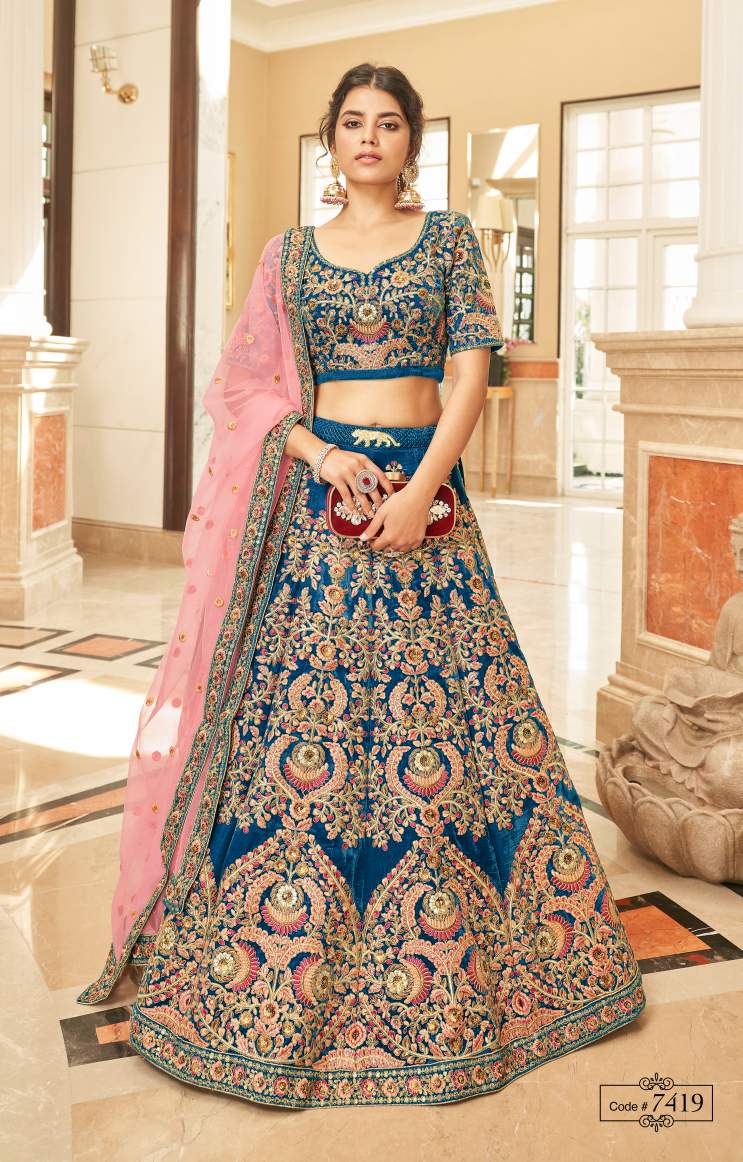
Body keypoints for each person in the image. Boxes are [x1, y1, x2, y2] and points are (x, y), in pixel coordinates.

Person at [78, 62, 645, 1107]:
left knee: (446, 718)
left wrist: (422, 491)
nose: (369, 137)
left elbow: (472, 372)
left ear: (410, 141)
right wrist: (321, 454)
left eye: (388, 122)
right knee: (305, 719)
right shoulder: (288, 255)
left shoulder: (451, 240)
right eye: (352, 122)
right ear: (331, 141)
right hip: (321, 501)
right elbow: (242, 387)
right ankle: (280, 968)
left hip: (427, 499)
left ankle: (469, 962)